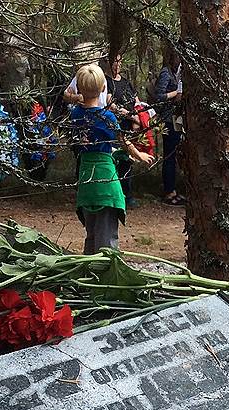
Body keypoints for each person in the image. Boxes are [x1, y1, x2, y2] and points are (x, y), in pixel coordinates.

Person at [70, 65, 154, 254]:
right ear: (102, 88)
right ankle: (107, 275)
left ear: (79, 89)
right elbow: (122, 141)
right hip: (105, 182)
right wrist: (139, 154)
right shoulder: (107, 116)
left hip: (85, 180)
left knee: (91, 234)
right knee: (107, 239)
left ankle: (88, 275)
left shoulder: (75, 115)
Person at [103, 53, 141, 208]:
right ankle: (114, 195)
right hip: (115, 125)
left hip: (130, 126)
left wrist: (139, 118)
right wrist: (130, 116)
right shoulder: (106, 81)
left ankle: (127, 194)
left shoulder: (126, 82)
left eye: (119, 62)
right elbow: (109, 103)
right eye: (114, 62)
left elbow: (137, 101)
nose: (117, 65)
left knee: (127, 160)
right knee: (115, 159)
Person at [154, 45, 185, 206]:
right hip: (167, 118)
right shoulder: (166, 73)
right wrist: (176, 94)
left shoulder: (177, 73)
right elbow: (159, 96)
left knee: (175, 154)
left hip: (177, 118)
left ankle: (173, 189)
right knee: (169, 155)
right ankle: (168, 191)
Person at [63, 42, 110, 108]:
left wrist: (77, 98)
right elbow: (65, 95)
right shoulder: (78, 76)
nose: (78, 66)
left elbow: (100, 102)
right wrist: (77, 97)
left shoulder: (98, 76)